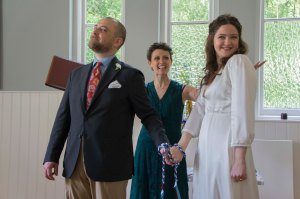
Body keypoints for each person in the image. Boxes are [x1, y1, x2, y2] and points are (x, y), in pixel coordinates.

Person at [43, 17, 178, 199]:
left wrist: (162, 144)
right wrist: (51, 155)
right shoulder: (76, 75)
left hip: (110, 164)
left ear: (117, 41)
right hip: (74, 163)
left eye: (103, 29)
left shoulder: (130, 76)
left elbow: (149, 116)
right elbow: (63, 118)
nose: (95, 30)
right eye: (96, 27)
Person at [171, 14, 260, 199]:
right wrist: (181, 147)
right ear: (212, 39)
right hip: (207, 146)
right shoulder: (214, 72)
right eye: (222, 37)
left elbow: (242, 110)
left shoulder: (239, 62)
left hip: (227, 145)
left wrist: (239, 159)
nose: (228, 42)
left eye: (233, 37)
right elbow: (199, 110)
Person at [130, 42, 198, 199]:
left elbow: (204, 95)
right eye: (157, 58)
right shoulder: (142, 90)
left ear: (171, 62)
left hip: (173, 147)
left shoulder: (182, 89)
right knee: (143, 189)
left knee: (171, 190)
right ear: (150, 63)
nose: (162, 61)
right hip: (145, 147)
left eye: (166, 58)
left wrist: (227, 78)